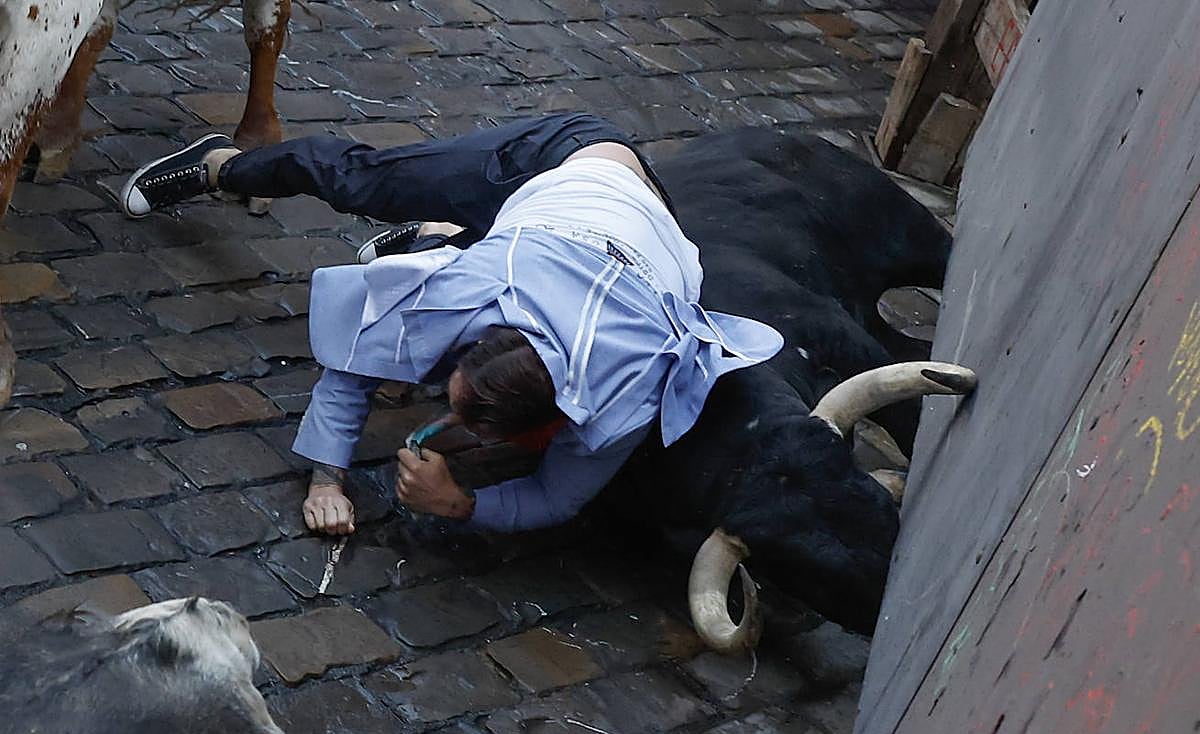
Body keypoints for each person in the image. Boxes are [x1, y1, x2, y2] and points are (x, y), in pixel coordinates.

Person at [120, 113, 782, 536]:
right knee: (364, 183)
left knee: (406, 358)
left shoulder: (626, 397)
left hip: (605, 213)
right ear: (479, 338)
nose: (448, 418)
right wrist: (326, 476)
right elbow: (352, 363)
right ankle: (220, 165)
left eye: (468, 424)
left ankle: (443, 236)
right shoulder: (470, 297)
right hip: (562, 162)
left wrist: (461, 505)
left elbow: (558, 497)